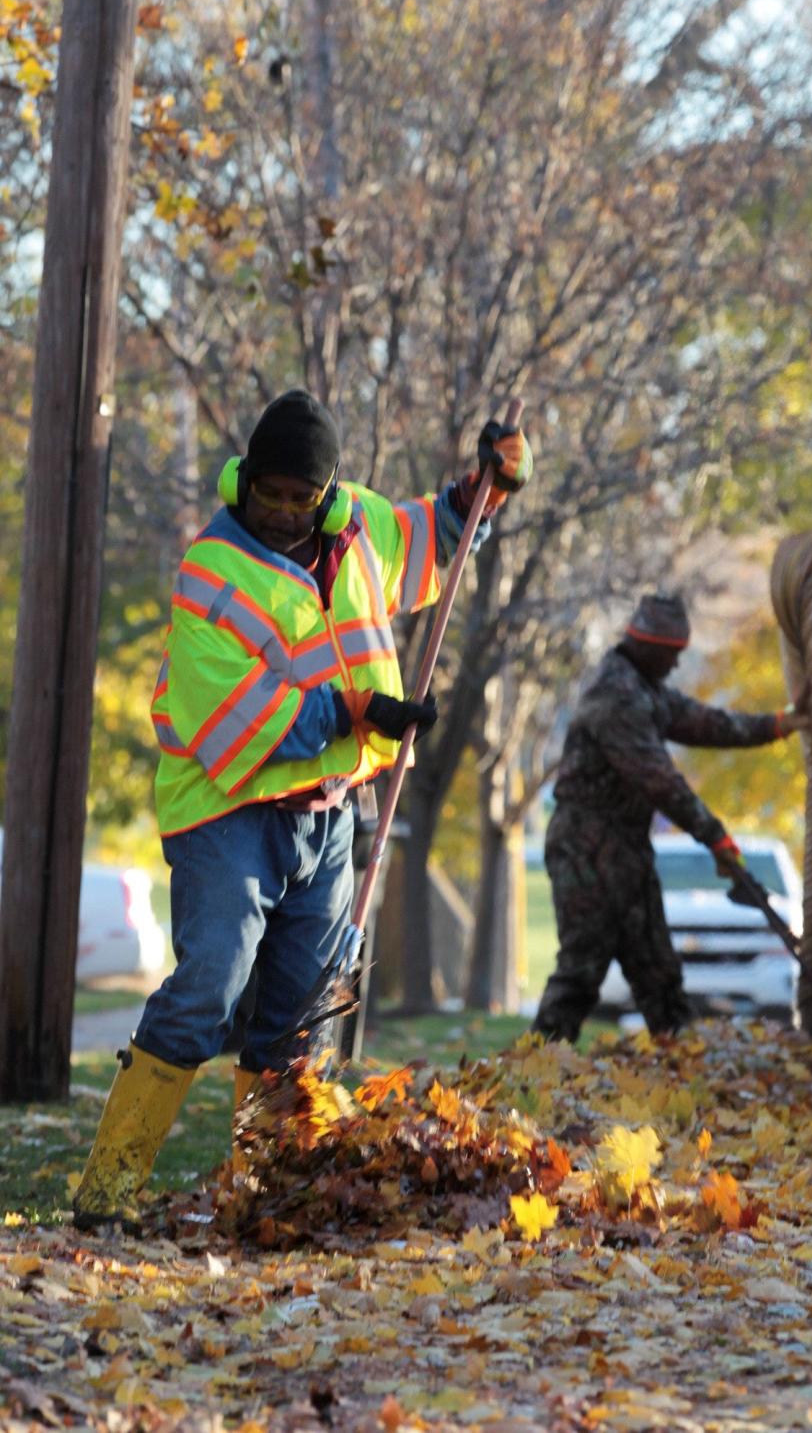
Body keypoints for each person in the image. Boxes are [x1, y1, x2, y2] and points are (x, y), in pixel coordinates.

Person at [73, 389, 533, 1233]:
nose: (283, 511)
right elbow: (232, 719)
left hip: (326, 812)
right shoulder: (211, 571)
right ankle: (106, 1189)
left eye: (301, 497)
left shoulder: (354, 524)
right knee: (209, 985)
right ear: (244, 480)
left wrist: (485, 491)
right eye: (269, 493)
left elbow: (428, 542)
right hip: (228, 808)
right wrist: (364, 713)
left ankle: (275, 1192)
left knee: (300, 1009)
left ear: (326, 494)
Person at [531, 592, 808, 1045]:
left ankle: (681, 1065)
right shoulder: (616, 697)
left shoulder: (646, 690)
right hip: (585, 850)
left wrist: (779, 724)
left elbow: (709, 723)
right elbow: (660, 781)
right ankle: (531, 1071)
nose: (676, 665)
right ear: (648, 646)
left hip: (627, 853)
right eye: (671, 655)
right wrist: (716, 838)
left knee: (659, 974)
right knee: (581, 971)